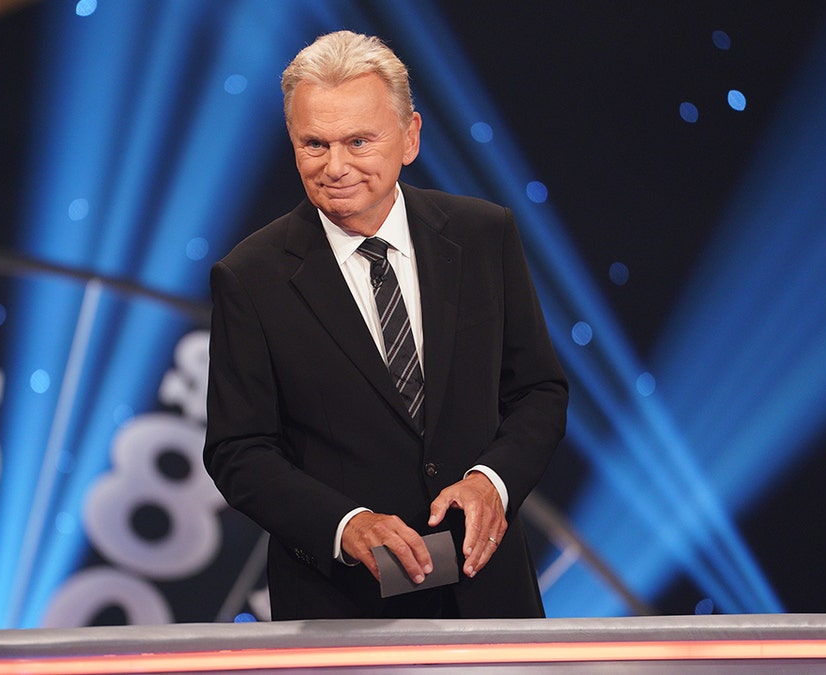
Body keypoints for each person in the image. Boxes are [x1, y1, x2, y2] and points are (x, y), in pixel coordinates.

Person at [203, 30, 568, 620]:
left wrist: (491, 483)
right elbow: (238, 451)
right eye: (314, 144)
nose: (336, 166)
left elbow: (538, 393)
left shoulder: (482, 236)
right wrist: (346, 527)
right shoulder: (250, 276)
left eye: (358, 141)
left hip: (487, 595)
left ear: (410, 137)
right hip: (345, 605)